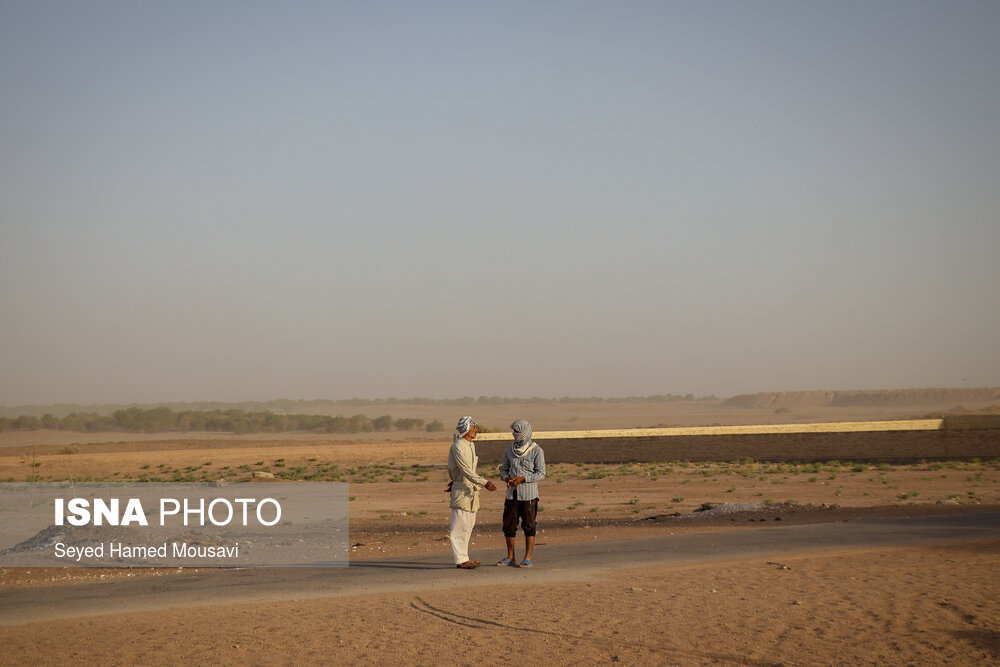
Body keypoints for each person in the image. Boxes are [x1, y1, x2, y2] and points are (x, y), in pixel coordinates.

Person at [446, 415, 496, 569]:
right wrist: (484, 482)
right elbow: (466, 470)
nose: (476, 429)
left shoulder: (470, 445)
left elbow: (466, 470)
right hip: (463, 490)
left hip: (471, 490)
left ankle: (464, 558)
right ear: (466, 429)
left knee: (468, 525)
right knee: (459, 525)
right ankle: (460, 560)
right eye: (473, 427)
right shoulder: (458, 446)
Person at [497, 418, 546, 568]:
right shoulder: (509, 450)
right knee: (509, 526)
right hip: (512, 495)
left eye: (517, 431)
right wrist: (507, 478)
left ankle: (527, 557)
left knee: (529, 525)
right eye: (514, 432)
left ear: (525, 432)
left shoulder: (536, 450)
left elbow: (541, 473)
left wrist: (524, 478)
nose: (514, 434)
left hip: (529, 495)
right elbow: (503, 469)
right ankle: (510, 557)